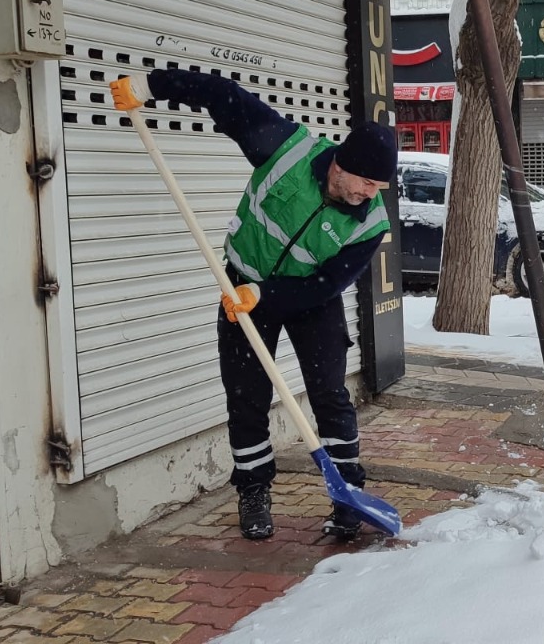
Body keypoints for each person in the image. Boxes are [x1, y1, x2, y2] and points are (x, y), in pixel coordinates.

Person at [109, 69, 393, 541]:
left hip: (310, 300)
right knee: (246, 397)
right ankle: (254, 491)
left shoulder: (370, 225)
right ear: (341, 166)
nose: (369, 194)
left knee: (330, 395)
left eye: (378, 187)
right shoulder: (285, 150)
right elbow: (222, 94)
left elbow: (326, 284)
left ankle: (347, 492)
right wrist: (148, 86)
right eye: (365, 182)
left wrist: (267, 295)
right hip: (241, 285)